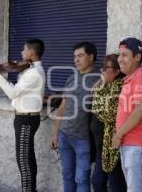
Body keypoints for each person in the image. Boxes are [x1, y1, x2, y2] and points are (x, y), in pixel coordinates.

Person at [0, 38, 45, 192]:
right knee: (27, 159)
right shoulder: (30, 69)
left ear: (31, 52)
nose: (21, 52)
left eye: (24, 50)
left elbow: (13, 93)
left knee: (24, 161)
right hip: (24, 118)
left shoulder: (33, 73)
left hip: (26, 120)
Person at [50, 42, 99, 192]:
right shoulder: (72, 77)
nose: (76, 60)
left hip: (83, 138)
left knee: (82, 179)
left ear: (91, 57)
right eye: (75, 56)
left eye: (80, 56)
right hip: (64, 136)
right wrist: (55, 133)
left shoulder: (99, 80)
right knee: (67, 175)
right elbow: (63, 106)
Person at [112, 37, 142, 192]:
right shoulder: (132, 78)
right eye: (119, 55)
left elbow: (140, 110)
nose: (120, 59)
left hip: (137, 146)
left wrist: (118, 135)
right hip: (131, 144)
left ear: (137, 57)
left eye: (125, 55)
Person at [90, 54, 127, 192]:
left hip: (112, 145)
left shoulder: (119, 88)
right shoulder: (105, 86)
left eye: (106, 68)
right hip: (102, 146)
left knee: (115, 183)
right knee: (98, 182)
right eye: (102, 67)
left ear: (117, 72)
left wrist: (95, 108)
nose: (102, 70)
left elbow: (109, 114)